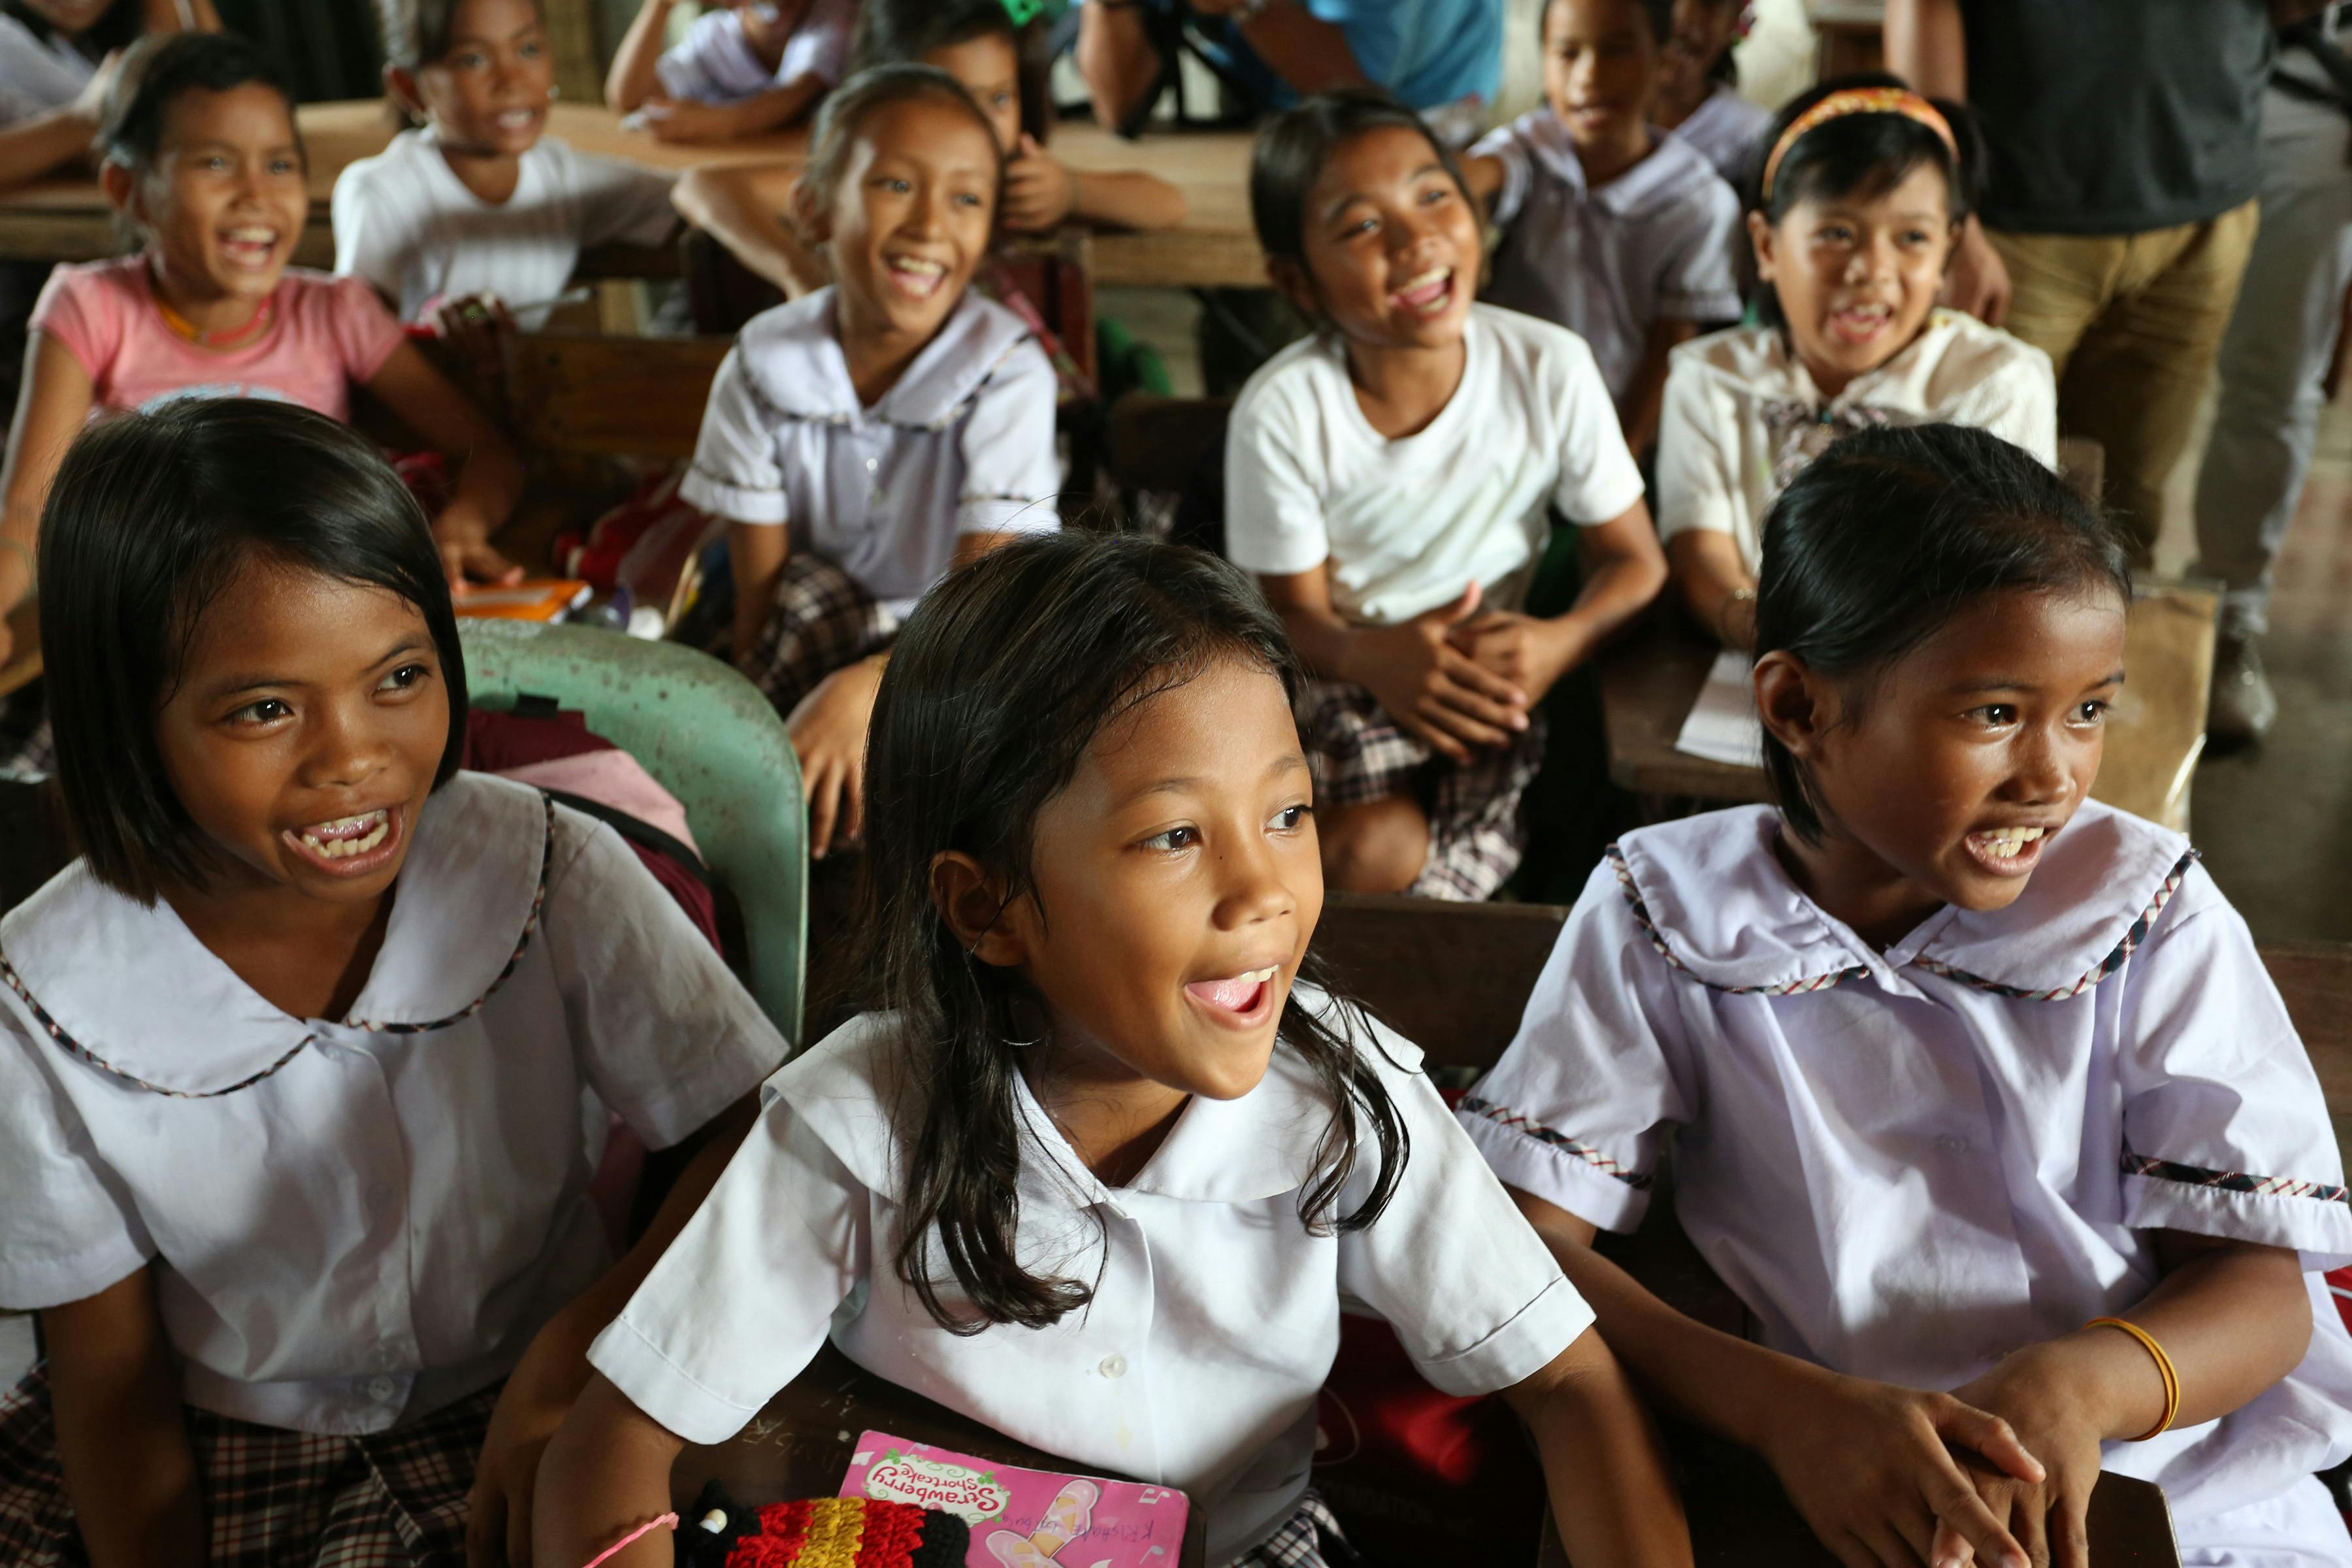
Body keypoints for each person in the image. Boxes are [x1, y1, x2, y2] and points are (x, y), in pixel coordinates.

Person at [532, 531, 1695, 1568]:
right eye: (1176, 835)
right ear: (986, 907)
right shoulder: (862, 1119)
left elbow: (1571, 1385)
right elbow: (614, 1446)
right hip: (925, 1534)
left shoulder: (1348, 1101)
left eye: (1289, 815)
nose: (1263, 894)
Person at [1462, 423, 2352, 1568]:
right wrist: (1782, 1410)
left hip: (2165, 1472)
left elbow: (2263, 1293)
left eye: (2089, 710)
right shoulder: (1667, 910)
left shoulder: (2147, 911)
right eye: (1994, 714)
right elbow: (1521, 1243)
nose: (2054, 775)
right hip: (1836, 1479)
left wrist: (2082, 1387)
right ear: (1796, 709)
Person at [0, 399, 787, 1568]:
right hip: (224, 1442)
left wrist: (583, 1350)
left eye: (400, 676)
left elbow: (750, 1135)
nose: (354, 756)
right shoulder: (49, 997)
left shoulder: (548, 869)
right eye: (265, 708)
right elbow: (113, 1393)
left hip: (548, 1388)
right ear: (131, 722)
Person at [1226, 90, 1664, 902]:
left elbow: (1635, 563)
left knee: (1386, 856)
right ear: (1297, 279)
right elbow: (1281, 619)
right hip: (1331, 680)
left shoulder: (1547, 367)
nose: (1417, 237)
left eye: (1435, 195)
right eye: (1362, 225)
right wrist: (1372, 655)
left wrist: (1559, 642)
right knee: (1364, 850)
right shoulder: (1286, 408)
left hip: (1488, 689)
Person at [0, 29, 526, 678]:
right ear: (126, 189)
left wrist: (464, 524)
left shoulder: (334, 312)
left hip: (307, 637)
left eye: (279, 164)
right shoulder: (90, 305)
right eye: (215, 164)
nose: (256, 194)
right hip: (141, 643)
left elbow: (490, 453)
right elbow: (27, 510)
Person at [679, 64, 1060, 862]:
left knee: (973, 796)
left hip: (961, 641)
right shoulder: (762, 364)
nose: (930, 226)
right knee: (740, 763)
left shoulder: (1006, 370)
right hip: (805, 627)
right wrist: (777, 713)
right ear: (813, 207)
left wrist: (871, 688)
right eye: (895, 184)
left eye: (966, 199)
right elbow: (761, 604)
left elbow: (988, 598)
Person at [1655, 75, 2053, 649]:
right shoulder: (1710, 378)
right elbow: (1702, 556)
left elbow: (1990, 579)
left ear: (1949, 250)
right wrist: (1778, 650)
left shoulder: (1994, 382)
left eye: (1912, 237)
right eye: (1837, 233)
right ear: (1767, 247)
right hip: (1756, 663)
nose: (1871, 268)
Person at [1884, 0, 2273, 561]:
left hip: (2206, 200)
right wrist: (1950, 209)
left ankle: (2111, 647)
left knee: (2130, 510)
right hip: (2015, 220)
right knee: (1974, 506)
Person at [672, 0, 1184, 304]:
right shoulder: (865, 184)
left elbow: (1167, 204)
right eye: (952, 97)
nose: (979, 123)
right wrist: (798, 271)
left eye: (999, 98)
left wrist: (1072, 191)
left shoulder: (1015, 181)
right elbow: (703, 187)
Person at [1465, 0, 1741, 455]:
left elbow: (1667, 354)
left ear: (1663, 62)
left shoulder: (1698, 203)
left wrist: (1622, 460)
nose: (1589, 77)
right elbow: (1474, 177)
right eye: (1567, 53)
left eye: (1617, 51)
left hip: (1609, 434)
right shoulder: (1533, 146)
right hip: (1499, 425)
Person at [333, 0, 679, 345]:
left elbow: (686, 193)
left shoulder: (560, 177)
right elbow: (356, 341)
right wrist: (437, 324)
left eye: (528, 49)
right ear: (410, 88)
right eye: (474, 59)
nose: (511, 81)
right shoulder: (382, 192)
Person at [2191, 5, 2352, 745]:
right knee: (2269, 378)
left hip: (2313, 91)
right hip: (2261, 80)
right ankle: (2215, 617)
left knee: (2273, 381)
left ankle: (2227, 616)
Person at [1074, 0, 1505, 142]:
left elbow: (1357, 94)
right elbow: (1117, 108)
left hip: (1430, 113)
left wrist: (1246, 4)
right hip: (1267, 103)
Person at [604, 0, 855, 143]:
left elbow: (801, 90)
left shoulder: (835, 18)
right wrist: (660, 6)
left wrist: (713, 122)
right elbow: (628, 96)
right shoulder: (717, 36)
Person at [1651, 0, 1770, 188]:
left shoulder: (1753, 137)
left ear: (1734, 23)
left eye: (1709, 4)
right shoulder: (1596, 115)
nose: (1683, 19)